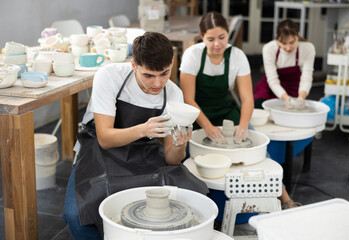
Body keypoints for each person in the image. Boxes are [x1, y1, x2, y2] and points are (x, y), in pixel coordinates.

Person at [62, 32, 208, 240]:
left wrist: (179, 146)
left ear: (173, 63)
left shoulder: (173, 94)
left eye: (164, 73)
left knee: (193, 199)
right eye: (148, 75)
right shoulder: (110, 76)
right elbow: (105, 138)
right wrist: (143, 130)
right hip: (99, 148)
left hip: (142, 150)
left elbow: (171, 158)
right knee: (76, 217)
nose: (157, 84)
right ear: (134, 65)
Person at [179, 11, 296, 209]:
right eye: (211, 39)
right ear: (202, 37)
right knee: (189, 156)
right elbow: (188, 99)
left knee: (257, 151)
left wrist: (243, 125)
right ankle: (195, 203)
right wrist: (207, 127)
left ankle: (285, 199)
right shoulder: (193, 55)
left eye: (222, 37)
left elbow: (247, 97)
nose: (217, 44)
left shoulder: (237, 56)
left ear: (228, 32)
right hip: (196, 113)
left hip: (226, 110)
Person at [254, 19, 316, 109]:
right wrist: (286, 98)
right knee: (260, 105)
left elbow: (306, 78)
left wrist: (301, 98)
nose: (288, 48)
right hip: (270, 87)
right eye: (283, 43)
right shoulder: (269, 49)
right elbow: (272, 80)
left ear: (298, 35)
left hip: (294, 87)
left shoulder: (308, 48)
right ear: (277, 38)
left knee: (293, 110)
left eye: (292, 42)